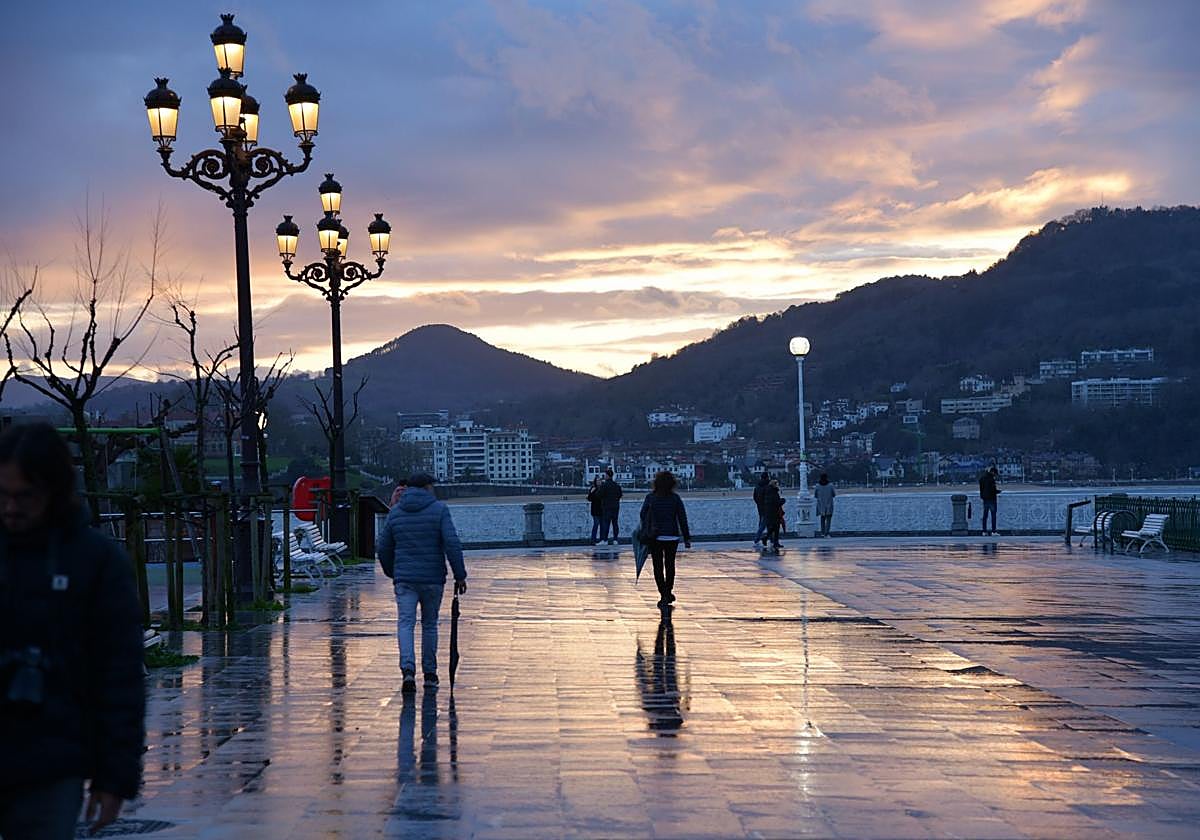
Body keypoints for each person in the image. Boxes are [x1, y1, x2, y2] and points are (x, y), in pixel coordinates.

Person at [0, 422, 144, 838]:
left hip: (51, 763)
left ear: (54, 491)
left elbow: (119, 677)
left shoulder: (94, 563)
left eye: (24, 496)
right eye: (2, 495)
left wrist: (113, 777)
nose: (11, 508)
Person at [377, 473, 467, 694]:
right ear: (427, 487)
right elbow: (451, 543)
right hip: (432, 579)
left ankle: (408, 670)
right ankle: (430, 673)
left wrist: (392, 572)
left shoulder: (396, 513)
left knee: (405, 623)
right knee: (429, 624)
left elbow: (383, 547)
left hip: (405, 579)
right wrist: (460, 574)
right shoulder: (439, 510)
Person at [639, 471, 691, 608]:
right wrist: (686, 538)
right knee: (670, 565)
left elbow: (642, 514)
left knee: (657, 566)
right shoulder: (675, 498)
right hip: (672, 536)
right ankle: (668, 591)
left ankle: (663, 594)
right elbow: (682, 518)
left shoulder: (650, 498)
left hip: (655, 537)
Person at [598, 468, 623, 545]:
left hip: (606, 507)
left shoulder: (604, 485)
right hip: (615, 506)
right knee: (615, 523)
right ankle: (615, 539)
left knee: (606, 523)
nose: (604, 476)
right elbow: (620, 495)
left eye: (605, 475)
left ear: (608, 476)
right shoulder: (617, 486)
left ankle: (605, 540)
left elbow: (599, 495)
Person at [762, 479, 784, 551]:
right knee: (776, 527)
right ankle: (775, 542)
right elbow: (776, 503)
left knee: (773, 527)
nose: (778, 485)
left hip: (769, 512)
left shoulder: (769, 491)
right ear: (774, 485)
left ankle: (766, 538)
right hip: (774, 512)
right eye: (777, 484)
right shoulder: (773, 492)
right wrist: (782, 501)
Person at [979, 466, 1000, 536]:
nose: (995, 475)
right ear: (993, 472)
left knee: (985, 516)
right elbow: (992, 489)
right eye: (995, 474)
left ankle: (984, 531)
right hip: (992, 499)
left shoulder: (982, 478)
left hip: (985, 499)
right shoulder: (991, 479)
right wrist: (997, 491)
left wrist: (982, 496)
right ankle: (993, 531)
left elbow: (981, 489)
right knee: (993, 516)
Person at [752, 471, 771, 546]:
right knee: (767, 524)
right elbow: (769, 497)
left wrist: (759, 504)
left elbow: (754, 497)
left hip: (760, 507)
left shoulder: (757, 486)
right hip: (767, 508)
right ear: (767, 477)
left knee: (762, 523)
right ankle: (757, 539)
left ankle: (771, 539)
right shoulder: (767, 486)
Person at [814, 473, 836, 537]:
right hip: (829, 504)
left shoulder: (817, 486)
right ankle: (827, 533)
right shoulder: (830, 485)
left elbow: (815, 495)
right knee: (828, 520)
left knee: (822, 519)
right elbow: (834, 494)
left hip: (821, 505)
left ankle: (822, 533)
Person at [586, 475, 604, 545]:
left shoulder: (603, 488)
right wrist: (591, 492)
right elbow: (589, 498)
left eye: (600, 480)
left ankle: (602, 540)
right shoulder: (593, 489)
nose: (599, 482)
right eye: (598, 480)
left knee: (602, 526)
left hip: (602, 509)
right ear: (595, 482)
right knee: (596, 524)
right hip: (595, 510)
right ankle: (593, 540)